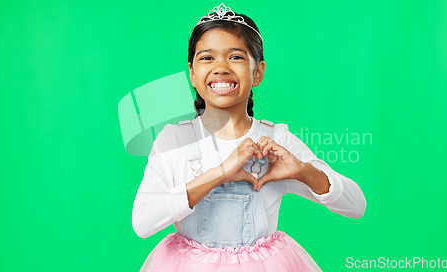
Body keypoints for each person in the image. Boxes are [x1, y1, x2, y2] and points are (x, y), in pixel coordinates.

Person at [132, 3, 366, 271]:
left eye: (236, 57)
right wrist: (219, 173)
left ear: (258, 73)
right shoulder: (175, 139)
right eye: (207, 57)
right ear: (192, 74)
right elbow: (142, 222)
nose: (220, 67)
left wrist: (303, 171)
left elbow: (357, 205)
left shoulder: (276, 140)